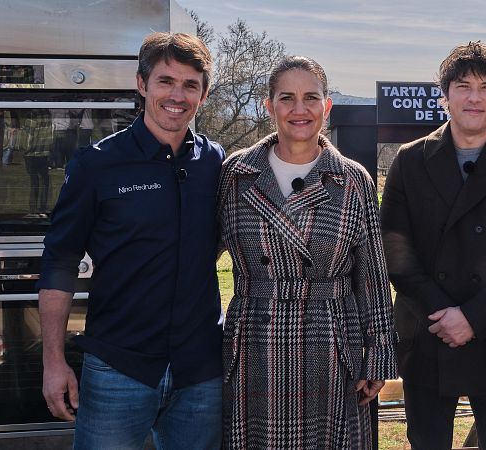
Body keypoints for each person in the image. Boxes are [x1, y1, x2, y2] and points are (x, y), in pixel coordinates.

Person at [38, 32, 224, 449]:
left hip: (201, 374)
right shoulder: (97, 165)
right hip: (118, 369)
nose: (177, 95)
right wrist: (53, 361)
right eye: (165, 81)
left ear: (204, 94)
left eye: (190, 85)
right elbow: (60, 262)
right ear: (142, 85)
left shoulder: (216, 162)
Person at [218, 56, 397, 449]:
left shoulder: (353, 179)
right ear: (269, 106)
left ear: (326, 105)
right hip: (254, 346)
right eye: (287, 98)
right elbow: (198, 260)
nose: (299, 109)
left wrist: (377, 357)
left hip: (331, 343)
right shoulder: (234, 174)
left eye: (311, 97)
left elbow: (372, 277)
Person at [381, 41, 486, 450]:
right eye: (462, 86)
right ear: (445, 96)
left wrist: (473, 317)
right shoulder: (409, 160)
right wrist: (444, 315)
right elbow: (395, 252)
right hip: (427, 330)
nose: (474, 97)